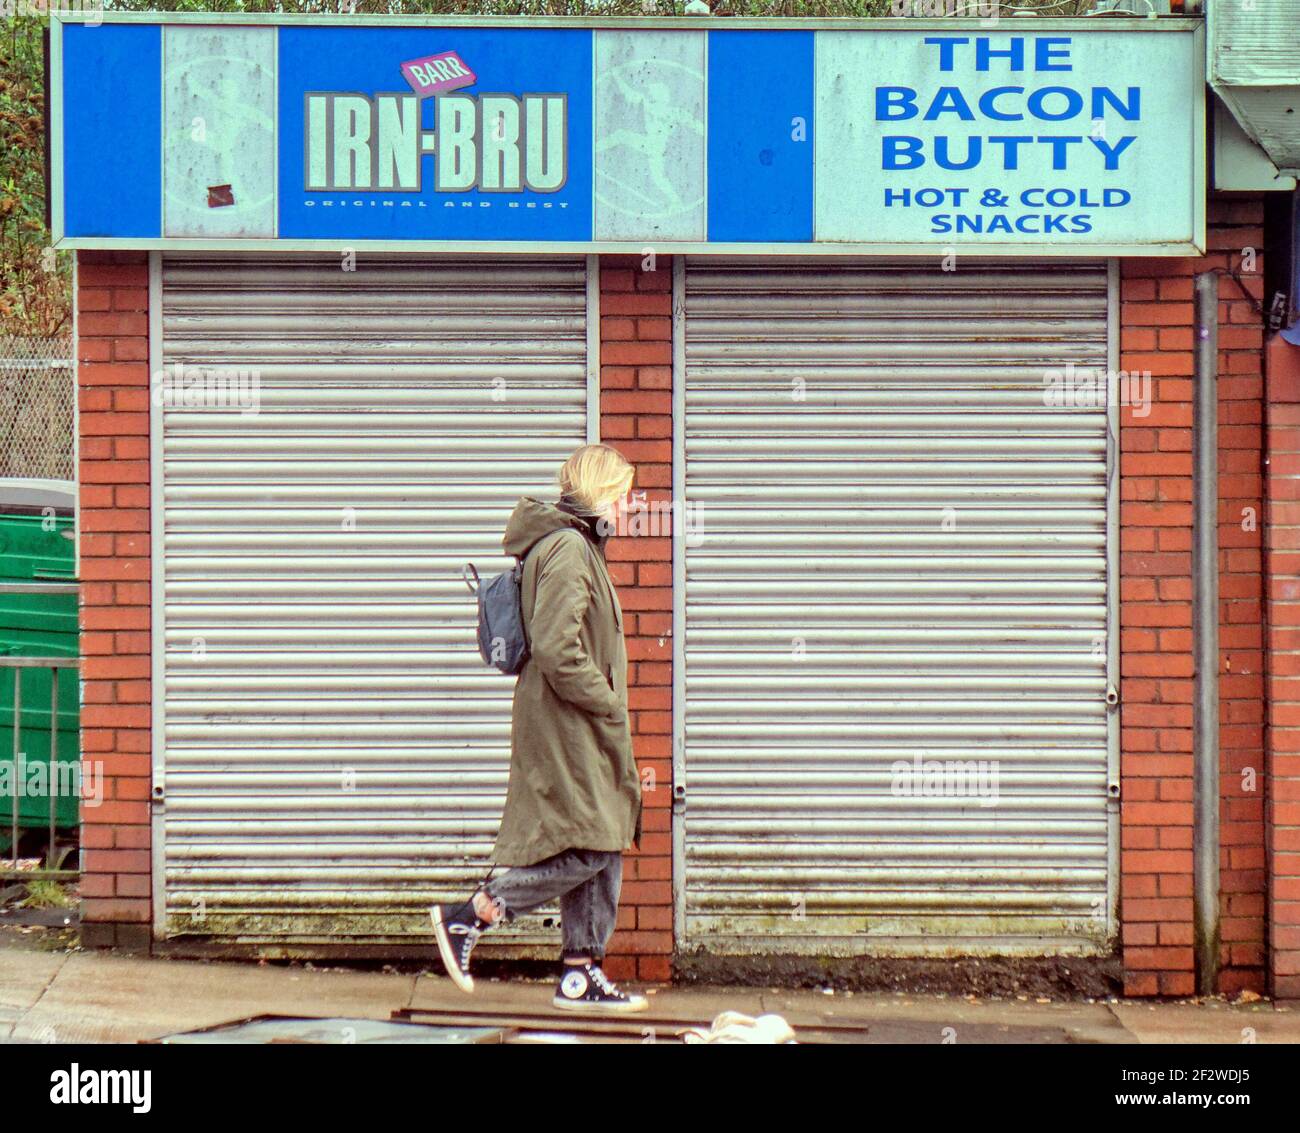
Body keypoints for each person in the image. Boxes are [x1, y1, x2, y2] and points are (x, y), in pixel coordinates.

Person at [431, 444, 647, 1014]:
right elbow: (556, 647)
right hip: (565, 720)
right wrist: (606, 702)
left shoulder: (570, 546)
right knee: (593, 840)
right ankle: (475, 912)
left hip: (573, 717)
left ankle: (580, 972)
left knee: (605, 833)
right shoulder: (571, 549)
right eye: (622, 499)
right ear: (602, 496)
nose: (627, 512)